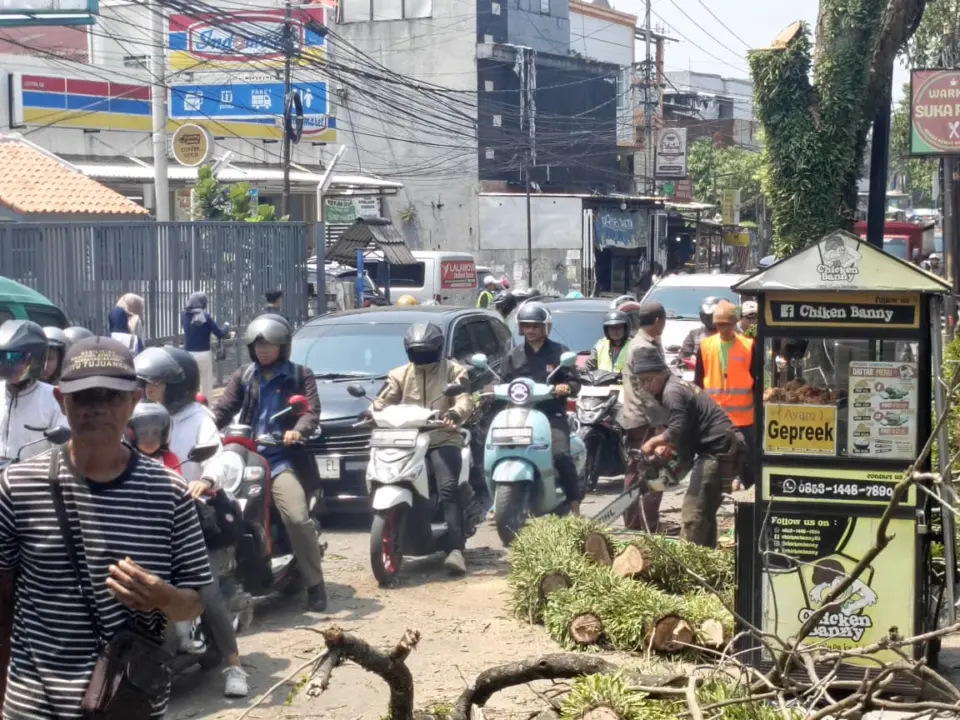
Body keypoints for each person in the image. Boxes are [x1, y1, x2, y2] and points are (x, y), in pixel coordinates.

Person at [0, 336, 211, 718]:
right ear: (63, 402)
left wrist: (161, 596)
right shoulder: (16, 487)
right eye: (84, 397)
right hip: (33, 704)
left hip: (126, 701)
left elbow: (194, 602)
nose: (96, 409)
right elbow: (2, 601)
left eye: (110, 397)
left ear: (133, 402)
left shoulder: (169, 493)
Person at [126, 397, 248, 697]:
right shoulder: (123, 464)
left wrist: (200, 484)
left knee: (208, 593)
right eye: (143, 432)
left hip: (183, 540)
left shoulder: (172, 464)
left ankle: (235, 667)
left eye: (155, 432)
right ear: (131, 433)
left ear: (165, 433)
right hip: (143, 544)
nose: (149, 438)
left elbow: (181, 489)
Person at [212, 314, 328, 611]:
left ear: (283, 346)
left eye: (270, 344)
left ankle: (315, 585)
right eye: (258, 344)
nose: (263, 349)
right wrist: (207, 423)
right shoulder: (243, 375)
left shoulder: (300, 375)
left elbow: (310, 412)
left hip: (279, 459)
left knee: (297, 518)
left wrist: (297, 431)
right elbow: (224, 408)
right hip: (243, 457)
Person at [368, 322, 475, 574]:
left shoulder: (453, 371)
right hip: (406, 439)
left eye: (427, 350)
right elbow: (383, 399)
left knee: (448, 487)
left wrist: (455, 413)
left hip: (442, 437)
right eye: (417, 351)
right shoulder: (399, 374)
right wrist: (371, 410)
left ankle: (456, 550)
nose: (422, 355)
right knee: (388, 477)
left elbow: (464, 398)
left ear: (438, 349)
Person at [631, 345, 742, 547]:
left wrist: (653, 443)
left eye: (649, 379)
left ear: (662, 372)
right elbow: (684, 436)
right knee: (704, 511)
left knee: (693, 513)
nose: (646, 385)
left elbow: (676, 430)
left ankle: (688, 563)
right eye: (642, 381)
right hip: (715, 447)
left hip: (717, 449)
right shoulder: (675, 386)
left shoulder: (672, 392)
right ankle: (707, 560)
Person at [500, 303, 583, 515]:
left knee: (561, 455)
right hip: (518, 415)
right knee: (497, 448)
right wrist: (490, 390)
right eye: (526, 326)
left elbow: (575, 383)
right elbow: (501, 381)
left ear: (545, 327)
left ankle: (574, 504)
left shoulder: (559, 353)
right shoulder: (513, 355)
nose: (530, 330)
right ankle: (499, 500)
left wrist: (566, 387)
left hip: (550, 414)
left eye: (535, 326)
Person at [694, 301, 759, 491]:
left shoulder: (748, 345)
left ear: (735, 323)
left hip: (743, 416)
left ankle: (746, 494)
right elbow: (699, 381)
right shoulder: (706, 346)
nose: (723, 329)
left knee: (746, 460)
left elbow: (756, 379)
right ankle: (717, 489)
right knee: (715, 460)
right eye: (719, 325)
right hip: (714, 416)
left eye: (727, 324)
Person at [135, 346, 221, 483]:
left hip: (190, 495)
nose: (148, 391)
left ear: (176, 387)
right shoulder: (139, 417)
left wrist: (206, 480)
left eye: (155, 383)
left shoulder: (200, 420)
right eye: (145, 384)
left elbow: (216, 461)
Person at [618, 302, 668, 531]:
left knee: (646, 472)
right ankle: (638, 524)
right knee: (644, 473)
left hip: (641, 416)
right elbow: (646, 391)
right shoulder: (642, 347)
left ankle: (644, 522)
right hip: (644, 418)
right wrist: (659, 425)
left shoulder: (647, 343)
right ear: (658, 320)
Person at [0, 320, 66, 462]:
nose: (11, 367)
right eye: (4, 359)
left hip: (34, 479)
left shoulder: (54, 398)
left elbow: (64, 452)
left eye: (17, 359)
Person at [182, 291, 230, 401]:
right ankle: (207, 406)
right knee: (206, 383)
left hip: (188, 354)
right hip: (203, 354)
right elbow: (220, 333)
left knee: (191, 383)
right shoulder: (206, 317)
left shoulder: (184, 315)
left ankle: (191, 404)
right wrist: (226, 326)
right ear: (203, 304)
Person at [679, 296, 721, 362]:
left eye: (711, 316)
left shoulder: (729, 333)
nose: (708, 319)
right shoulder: (694, 334)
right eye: (706, 316)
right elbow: (684, 355)